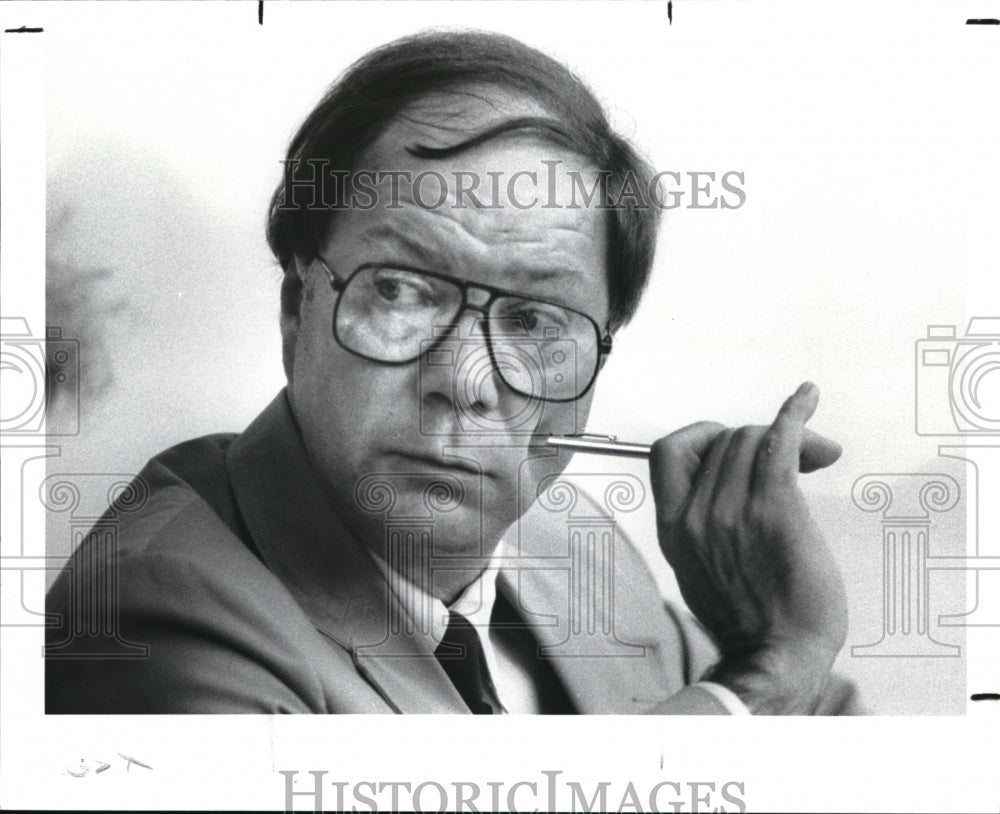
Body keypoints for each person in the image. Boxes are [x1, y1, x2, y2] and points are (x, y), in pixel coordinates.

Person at [45, 29, 861, 715]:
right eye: (402, 291)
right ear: (297, 309)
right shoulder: (151, 609)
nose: (465, 380)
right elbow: (772, 688)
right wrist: (756, 680)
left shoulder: (571, 550)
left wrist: (763, 640)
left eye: (537, 320)